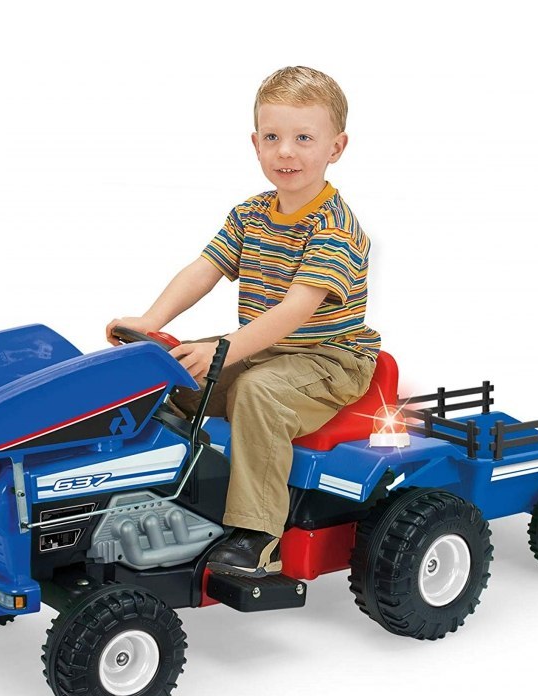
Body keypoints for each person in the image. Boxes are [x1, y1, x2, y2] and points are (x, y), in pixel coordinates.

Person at [105, 65, 381, 578]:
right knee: (170, 372)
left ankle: (257, 535)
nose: (286, 152)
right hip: (265, 347)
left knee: (258, 392)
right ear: (255, 143)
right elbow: (204, 269)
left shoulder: (335, 228)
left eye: (303, 138)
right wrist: (151, 320)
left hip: (330, 359)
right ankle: (169, 493)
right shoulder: (250, 214)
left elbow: (296, 310)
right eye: (272, 137)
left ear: (336, 147)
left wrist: (225, 349)